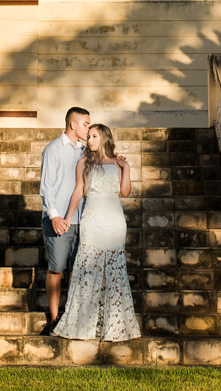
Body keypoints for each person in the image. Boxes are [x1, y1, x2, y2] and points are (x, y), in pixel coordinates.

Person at [51, 123, 140, 341]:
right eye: (88, 136)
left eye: (94, 136)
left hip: (114, 222)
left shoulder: (117, 163)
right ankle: (83, 325)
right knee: (87, 270)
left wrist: (126, 168)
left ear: (104, 139)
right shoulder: (84, 162)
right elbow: (78, 191)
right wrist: (68, 217)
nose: (89, 140)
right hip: (92, 220)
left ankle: (113, 326)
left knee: (114, 272)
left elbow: (125, 192)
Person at [40, 106, 90, 326]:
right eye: (85, 124)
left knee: (77, 271)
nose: (88, 129)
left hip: (81, 220)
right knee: (57, 268)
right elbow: (46, 187)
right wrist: (54, 216)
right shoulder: (53, 149)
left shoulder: (85, 151)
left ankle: (71, 316)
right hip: (58, 221)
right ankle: (53, 318)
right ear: (73, 124)